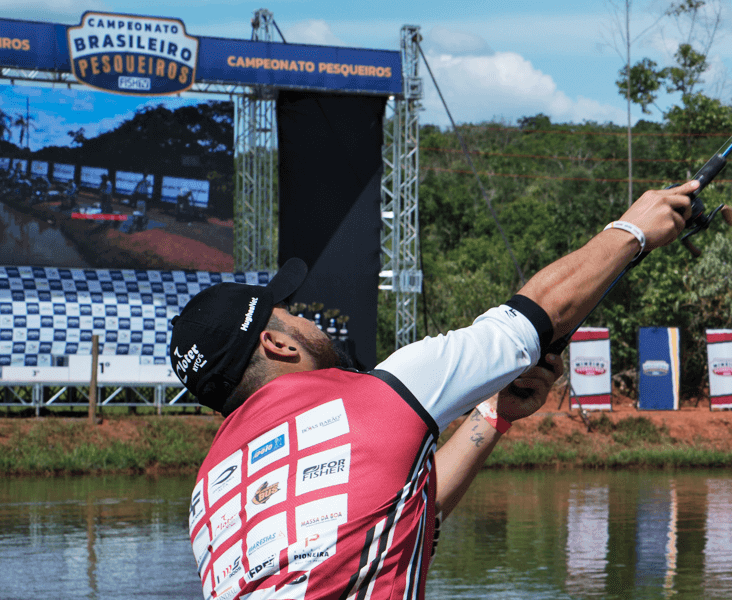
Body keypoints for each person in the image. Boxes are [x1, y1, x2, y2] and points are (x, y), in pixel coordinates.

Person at [175, 181, 698, 600]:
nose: (305, 318)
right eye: (289, 313)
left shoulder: (209, 497)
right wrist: (633, 231)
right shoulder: (372, 399)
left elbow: (398, 520)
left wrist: (491, 415)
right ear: (277, 344)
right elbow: (536, 317)